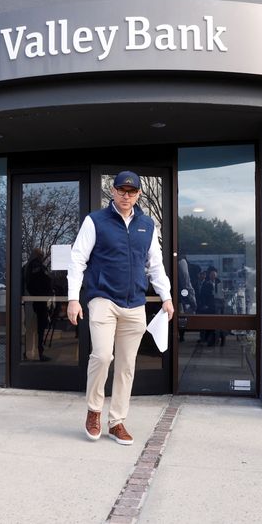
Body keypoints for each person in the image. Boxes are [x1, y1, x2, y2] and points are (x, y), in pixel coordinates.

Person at [67, 171, 174, 445]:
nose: (126, 196)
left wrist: (166, 296)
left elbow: (155, 265)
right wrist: (73, 298)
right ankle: (94, 411)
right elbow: (77, 259)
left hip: (135, 303)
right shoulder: (95, 221)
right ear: (112, 191)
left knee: (127, 365)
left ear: (138, 194)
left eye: (132, 191)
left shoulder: (147, 225)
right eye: (121, 190)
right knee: (102, 356)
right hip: (103, 298)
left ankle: (117, 421)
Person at [23, 248, 53, 361]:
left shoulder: (27, 267)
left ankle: (29, 352)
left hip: (32, 301)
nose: (42, 257)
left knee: (31, 328)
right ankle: (39, 353)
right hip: (38, 301)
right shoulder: (37, 266)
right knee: (39, 328)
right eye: (41, 255)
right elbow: (43, 280)